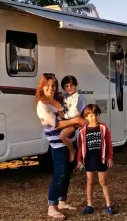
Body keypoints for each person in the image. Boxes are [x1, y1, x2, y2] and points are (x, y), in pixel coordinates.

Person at [35, 73, 87, 219]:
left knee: (68, 172)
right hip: (58, 146)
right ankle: (51, 207)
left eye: (53, 85)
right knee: (59, 173)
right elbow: (57, 124)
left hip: (69, 142)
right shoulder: (42, 105)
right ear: (42, 86)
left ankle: (62, 201)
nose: (51, 88)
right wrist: (77, 120)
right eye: (48, 85)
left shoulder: (56, 101)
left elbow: (67, 114)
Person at [77, 104, 116, 215]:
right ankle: (90, 205)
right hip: (89, 159)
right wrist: (79, 160)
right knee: (89, 182)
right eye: (89, 116)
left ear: (98, 115)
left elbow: (109, 143)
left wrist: (110, 157)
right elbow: (80, 146)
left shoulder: (103, 128)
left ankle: (109, 205)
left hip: (101, 158)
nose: (92, 118)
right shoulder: (82, 130)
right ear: (86, 117)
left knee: (103, 181)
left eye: (94, 115)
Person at [58, 75, 86, 162]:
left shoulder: (78, 97)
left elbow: (75, 112)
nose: (70, 87)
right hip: (68, 121)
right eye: (67, 86)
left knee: (62, 135)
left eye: (72, 85)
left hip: (75, 122)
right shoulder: (64, 96)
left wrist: (64, 116)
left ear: (76, 85)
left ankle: (72, 150)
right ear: (63, 88)